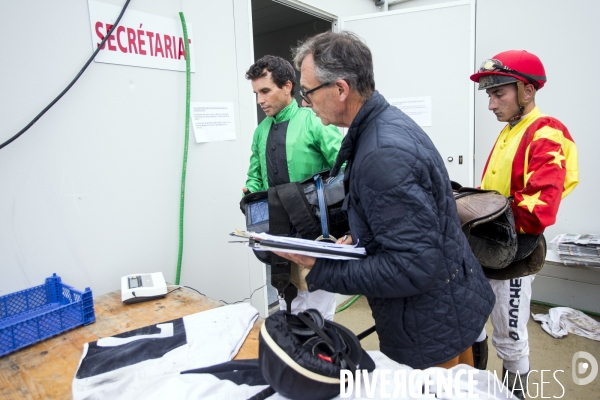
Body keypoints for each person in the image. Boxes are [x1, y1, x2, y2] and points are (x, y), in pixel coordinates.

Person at [274, 31, 495, 369]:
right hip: (444, 309)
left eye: (308, 92)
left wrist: (322, 266)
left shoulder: (382, 154)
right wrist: (363, 240)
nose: (305, 102)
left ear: (341, 89)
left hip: (429, 329)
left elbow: (412, 267)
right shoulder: (386, 125)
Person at [470, 50, 578, 398]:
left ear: (527, 91)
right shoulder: (511, 130)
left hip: (513, 254)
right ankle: (474, 389)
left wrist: (476, 215)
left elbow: (539, 208)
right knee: (472, 320)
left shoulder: (546, 130)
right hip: (485, 248)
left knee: (510, 337)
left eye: (498, 93)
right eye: (489, 94)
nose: (491, 104)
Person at [243, 55, 342, 320]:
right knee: (287, 297)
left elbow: (345, 170)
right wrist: (250, 193)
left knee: (317, 307)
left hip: (315, 232)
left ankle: (322, 353)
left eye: (265, 91)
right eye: (256, 93)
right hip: (278, 231)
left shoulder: (314, 122)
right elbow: (255, 176)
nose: (260, 101)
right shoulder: (261, 131)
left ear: (287, 86)